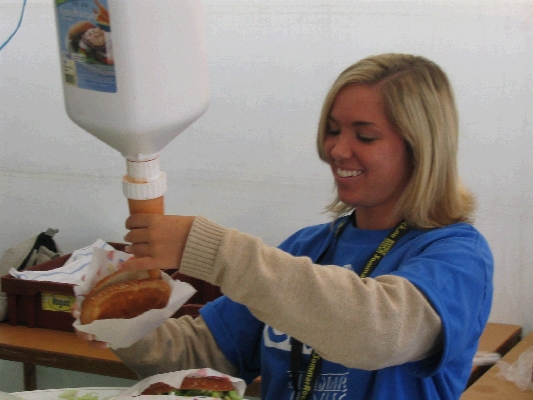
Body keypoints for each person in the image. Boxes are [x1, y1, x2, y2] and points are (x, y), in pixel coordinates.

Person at [103, 53, 492, 400]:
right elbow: (200, 354)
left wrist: (212, 250)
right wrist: (123, 321)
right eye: (334, 129)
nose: (337, 150)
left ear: (421, 148)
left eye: (365, 135)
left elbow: (376, 333)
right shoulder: (307, 248)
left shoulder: (457, 256)